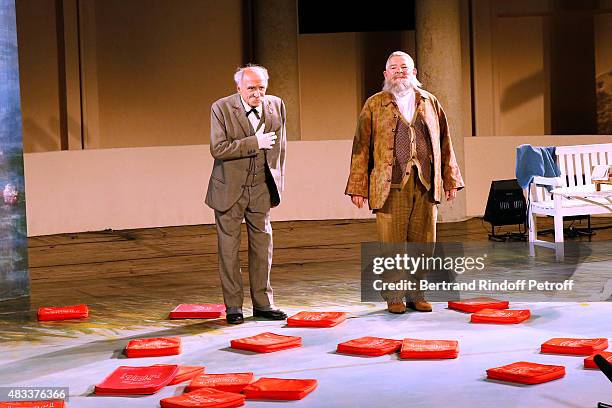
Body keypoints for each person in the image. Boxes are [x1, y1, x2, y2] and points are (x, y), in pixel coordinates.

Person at [345, 51, 464, 314]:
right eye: (394, 67)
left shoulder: (430, 102)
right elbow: (361, 148)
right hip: (390, 185)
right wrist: (358, 187)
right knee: (393, 244)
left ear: (414, 73)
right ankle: (394, 296)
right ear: (386, 74)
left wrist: (450, 179)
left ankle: (417, 293)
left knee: (424, 242)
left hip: (425, 184)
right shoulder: (375, 104)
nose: (399, 71)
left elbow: (445, 142)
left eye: (404, 67)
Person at [205, 64, 287, 324]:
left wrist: (276, 182)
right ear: (238, 87)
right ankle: (233, 307)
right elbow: (218, 148)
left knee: (263, 247)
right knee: (229, 250)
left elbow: (280, 148)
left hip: (261, 187)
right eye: (251, 88)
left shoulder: (277, 105)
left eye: (261, 87)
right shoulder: (221, 108)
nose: (257, 93)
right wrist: (255, 143)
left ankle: (263, 304)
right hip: (229, 187)